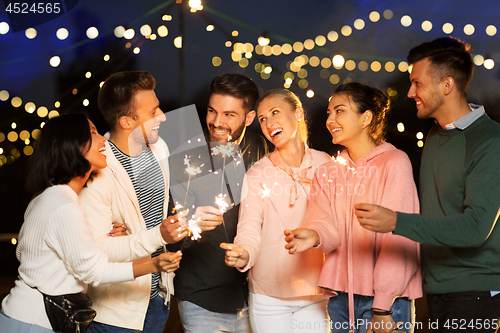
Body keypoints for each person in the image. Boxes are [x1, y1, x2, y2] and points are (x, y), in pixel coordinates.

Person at [354, 37, 500, 333]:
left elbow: (475, 227)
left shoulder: (490, 142)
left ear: (446, 85)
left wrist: (396, 221)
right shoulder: (435, 137)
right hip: (434, 290)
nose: (410, 92)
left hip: (475, 294)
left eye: (417, 83)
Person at [0, 113, 182, 333]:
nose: (103, 139)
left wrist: (103, 237)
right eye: (93, 133)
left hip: (25, 314)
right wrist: (154, 264)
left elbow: (36, 254)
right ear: (72, 146)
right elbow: (95, 272)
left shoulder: (48, 196)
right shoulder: (64, 205)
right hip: (35, 321)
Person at [285, 82, 422, 333]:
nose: (330, 119)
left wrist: (381, 307)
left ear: (365, 118)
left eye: (339, 111)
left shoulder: (394, 163)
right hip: (340, 300)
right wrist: (314, 234)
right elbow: (322, 221)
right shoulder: (328, 171)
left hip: (387, 303)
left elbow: (400, 237)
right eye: (328, 112)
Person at [79, 71, 201, 333]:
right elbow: (96, 252)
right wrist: (157, 234)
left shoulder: (161, 148)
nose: (163, 117)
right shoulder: (98, 169)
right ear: (125, 121)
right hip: (115, 311)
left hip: (158, 297)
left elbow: (161, 214)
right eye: (153, 112)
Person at [220, 89, 331, 332]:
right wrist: (244, 253)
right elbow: (249, 230)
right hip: (268, 298)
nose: (269, 123)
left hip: (317, 293)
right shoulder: (257, 174)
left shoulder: (327, 165)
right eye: (262, 119)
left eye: (275, 113)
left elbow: (338, 225)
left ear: (298, 113)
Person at [167, 73, 269, 333]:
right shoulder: (184, 154)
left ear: (249, 117)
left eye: (229, 115)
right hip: (203, 298)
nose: (217, 122)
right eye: (212, 111)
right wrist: (191, 224)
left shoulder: (261, 148)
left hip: (256, 298)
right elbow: (167, 235)